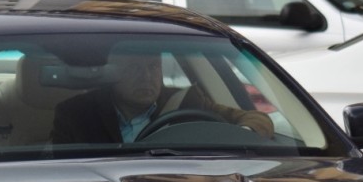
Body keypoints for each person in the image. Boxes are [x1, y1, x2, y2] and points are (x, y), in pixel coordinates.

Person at [51, 48, 274, 144]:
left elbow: (258, 119)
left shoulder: (188, 101)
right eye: (134, 69)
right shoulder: (76, 113)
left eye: (153, 67)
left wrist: (241, 134)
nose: (146, 77)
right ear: (114, 73)